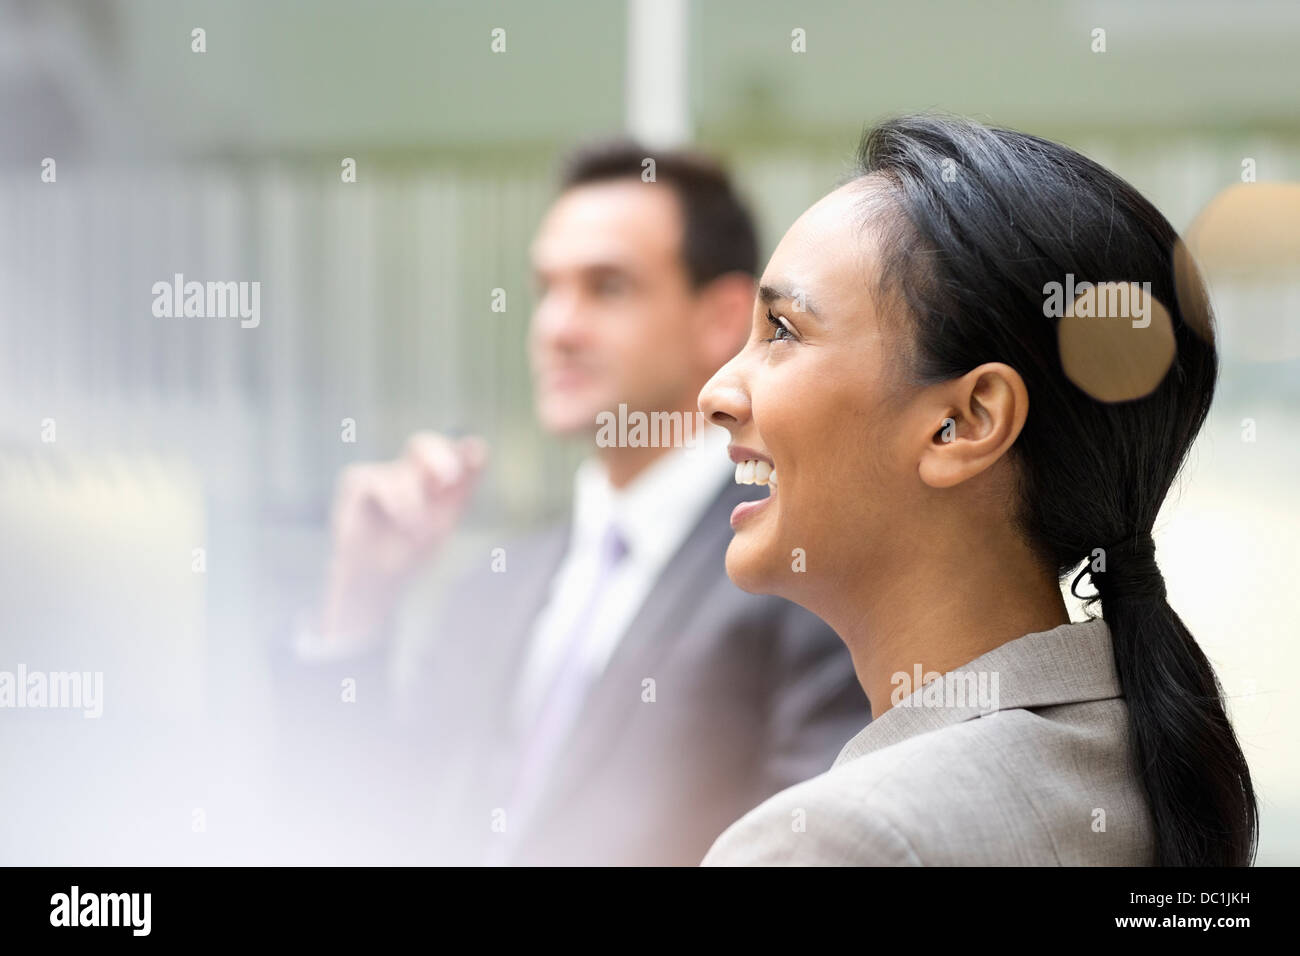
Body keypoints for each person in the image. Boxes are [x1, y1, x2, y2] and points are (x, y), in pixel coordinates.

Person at [276, 140, 870, 866]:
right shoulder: (497, 584)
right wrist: (360, 603)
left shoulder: (799, 574)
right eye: (547, 289)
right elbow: (344, 822)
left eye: (606, 287)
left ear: (720, 317)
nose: (556, 328)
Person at [697, 114, 1257, 866]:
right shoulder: (1135, 766)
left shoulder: (849, 841)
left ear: (964, 422)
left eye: (784, 332)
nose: (715, 394)